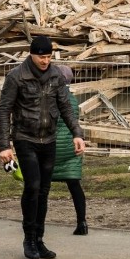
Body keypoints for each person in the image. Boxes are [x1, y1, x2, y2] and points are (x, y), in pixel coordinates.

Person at [0, 35, 86, 259]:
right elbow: (4, 110)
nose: (45, 61)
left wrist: (77, 133)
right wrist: (4, 145)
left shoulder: (55, 75)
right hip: (25, 138)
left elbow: (65, 106)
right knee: (33, 186)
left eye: (48, 57)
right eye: (41, 57)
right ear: (32, 54)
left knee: (44, 190)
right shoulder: (17, 76)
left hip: (49, 139)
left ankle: (39, 239)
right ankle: (29, 238)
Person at [52, 65, 88, 235]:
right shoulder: (73, 99)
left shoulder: (51, 97)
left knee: (38, 186)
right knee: (74, 186)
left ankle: (34, 222)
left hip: (52, 147)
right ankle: (82, 222)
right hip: (70, 148)